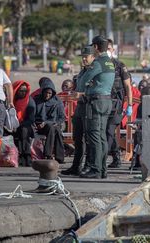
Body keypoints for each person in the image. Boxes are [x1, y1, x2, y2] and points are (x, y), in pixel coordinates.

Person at [78, 36, 115, 179]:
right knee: (101, 136)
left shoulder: (98, 63)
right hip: (106, 101)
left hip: (96, 102)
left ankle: (96, 169)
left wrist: (85, 82)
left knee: (94, 136)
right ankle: (103, 169)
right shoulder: (109, 62)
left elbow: (82, 82)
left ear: (96, 47)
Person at [61, 46, 95, 176]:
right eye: (83, 57)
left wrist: (81, 94)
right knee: (77, 138)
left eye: (86, 56)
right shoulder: (82, 72)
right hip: (79, 108)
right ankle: (76, 166)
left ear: (93, 57)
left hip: (89, 106)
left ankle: (87, 166)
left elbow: (95, 91)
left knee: (88, 139)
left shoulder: (94, 72)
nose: (84, 59)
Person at [106, 38, 133, 168]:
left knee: (109, 130)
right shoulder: (98, 65)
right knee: (108, 131)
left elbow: (128, 87)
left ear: (113, 50)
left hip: (117, 105)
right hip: (103, 104)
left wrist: (130, 105)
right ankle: (116, 157)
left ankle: (101, 158)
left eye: (109, 49)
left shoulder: (120, 66)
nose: (107, 52)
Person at [33, 78, 65, 164]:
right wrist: (35, 124)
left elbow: (61, 118)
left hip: (52, 125)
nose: (47, 95)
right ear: (42, 91)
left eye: (49, 93)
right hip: (37, 126)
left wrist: (47, 123)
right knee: (55, 130)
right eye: (46, 93)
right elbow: (31, 114)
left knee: (54, 129)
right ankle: (54, 156)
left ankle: (49, 154)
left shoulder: (57, 102)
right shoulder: (36, 100)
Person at [12, 80, 36, 166]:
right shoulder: (10, 101)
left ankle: (26, 156)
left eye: (25, 91)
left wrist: (19, 125)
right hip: (10, 126)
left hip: (25, 125)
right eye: (21, 91)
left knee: (24, 131)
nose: (23, 93)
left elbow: (31, 119)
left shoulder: (29, 101)